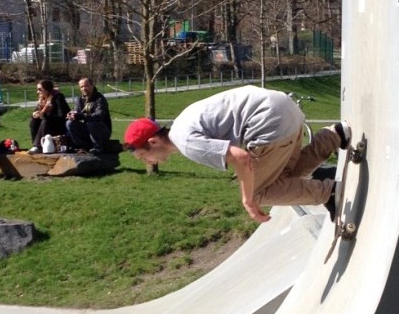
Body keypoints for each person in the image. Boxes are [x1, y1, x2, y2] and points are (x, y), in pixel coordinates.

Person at [123, 85, 351, 224]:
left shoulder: (186, 142)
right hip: (284, 107)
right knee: (284, 175)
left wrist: (247, 199)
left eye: (143, 157)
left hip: (268, 122)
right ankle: (335, 136)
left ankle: (330, 193)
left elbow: (241, 158)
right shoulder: (182, 121)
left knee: (258, 193)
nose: (147, 162)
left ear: (152, 142)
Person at [66, 77, 112, 153]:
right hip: (87, 129)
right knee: (69, 123)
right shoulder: (79, 99)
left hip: (102, 131)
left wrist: (81, 116)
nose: (84, 88)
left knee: (92, 122)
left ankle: (98, 147)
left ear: (92, 85)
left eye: (86, 86)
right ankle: (82, 146)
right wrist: (72, 115)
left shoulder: (100, 99)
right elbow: (77, 112)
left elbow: (100, 115)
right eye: (81, 87)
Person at [28, 78, 70, 153]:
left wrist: (44, 115)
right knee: (33, 122)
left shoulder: (58, 97)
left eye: (40, 89)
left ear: (46, 89)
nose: (38, 92)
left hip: (58, 126)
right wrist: (34, 115)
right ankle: (35, 145)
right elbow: (37, 112)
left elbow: (62, 115)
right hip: (46, 126)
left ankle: (38, 146)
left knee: (45, 121)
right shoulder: (42, 100)